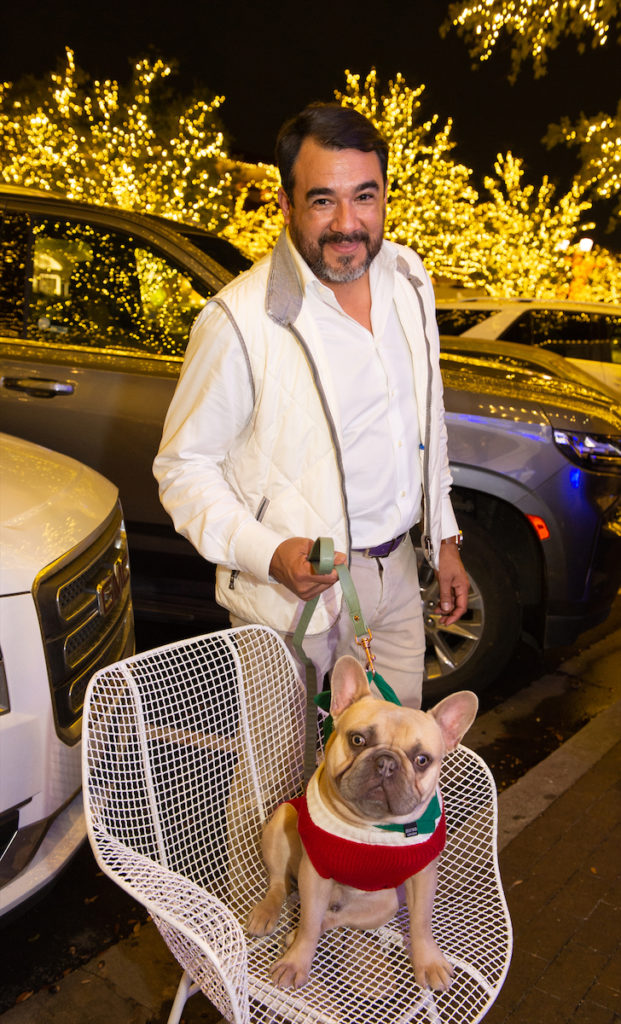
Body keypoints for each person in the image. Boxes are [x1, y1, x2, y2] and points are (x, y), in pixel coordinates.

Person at [153, 102, 469, 708]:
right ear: (287, 203)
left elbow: (424, 423)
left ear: (384, 197)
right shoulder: (237, 320)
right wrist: (268, 553)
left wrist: (446, 540)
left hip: (398, 577)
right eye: (324, 200)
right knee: (283, 790)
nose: (348, 224)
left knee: (391, 778)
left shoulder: (408, 277)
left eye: (365, 197)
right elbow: (182, 469)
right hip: (291, 600)